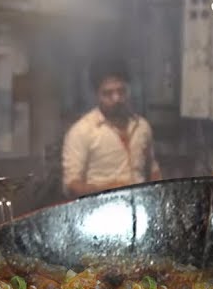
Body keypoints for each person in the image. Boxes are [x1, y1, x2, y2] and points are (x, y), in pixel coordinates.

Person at [61, 59, 161, 198]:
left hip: (141, 208)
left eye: (121, 91)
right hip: (101, 212)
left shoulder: (142, 126)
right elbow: (72, 186)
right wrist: (111, 189)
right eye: (108, 93)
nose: (116, 98)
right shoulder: (81, 131)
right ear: (96, 95)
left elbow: (152, 170)